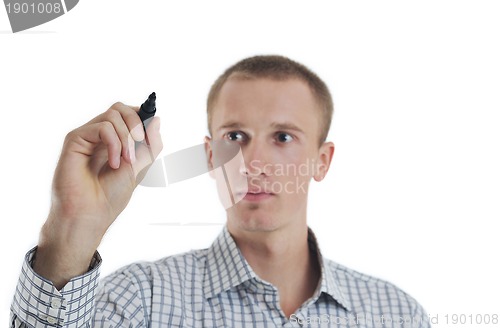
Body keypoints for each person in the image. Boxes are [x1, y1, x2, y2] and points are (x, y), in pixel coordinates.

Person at [10, 55, 431, 327]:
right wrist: (70, 230)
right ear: (211, 155)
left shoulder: (397, 316)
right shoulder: (140, 301)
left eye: (283, 137)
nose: (252, 162)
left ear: (322, 160)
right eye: (235, 136)